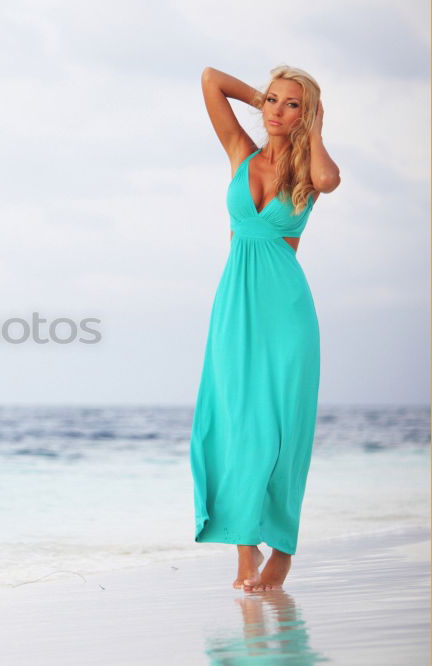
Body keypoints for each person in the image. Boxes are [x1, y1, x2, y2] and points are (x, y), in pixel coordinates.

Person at [189, 65, 341, 593]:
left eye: (290, 104)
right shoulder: (240, 153)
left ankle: (282, 549)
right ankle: (243, 546)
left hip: (287, 313)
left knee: (284, 431)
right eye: (273, 101)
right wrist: (261, 99)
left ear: (308, 113)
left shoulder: (306, 173)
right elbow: (211, 79)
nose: (277, 110)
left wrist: (313, 131)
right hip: (234, 307)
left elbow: (328, 181)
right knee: (237, 425)